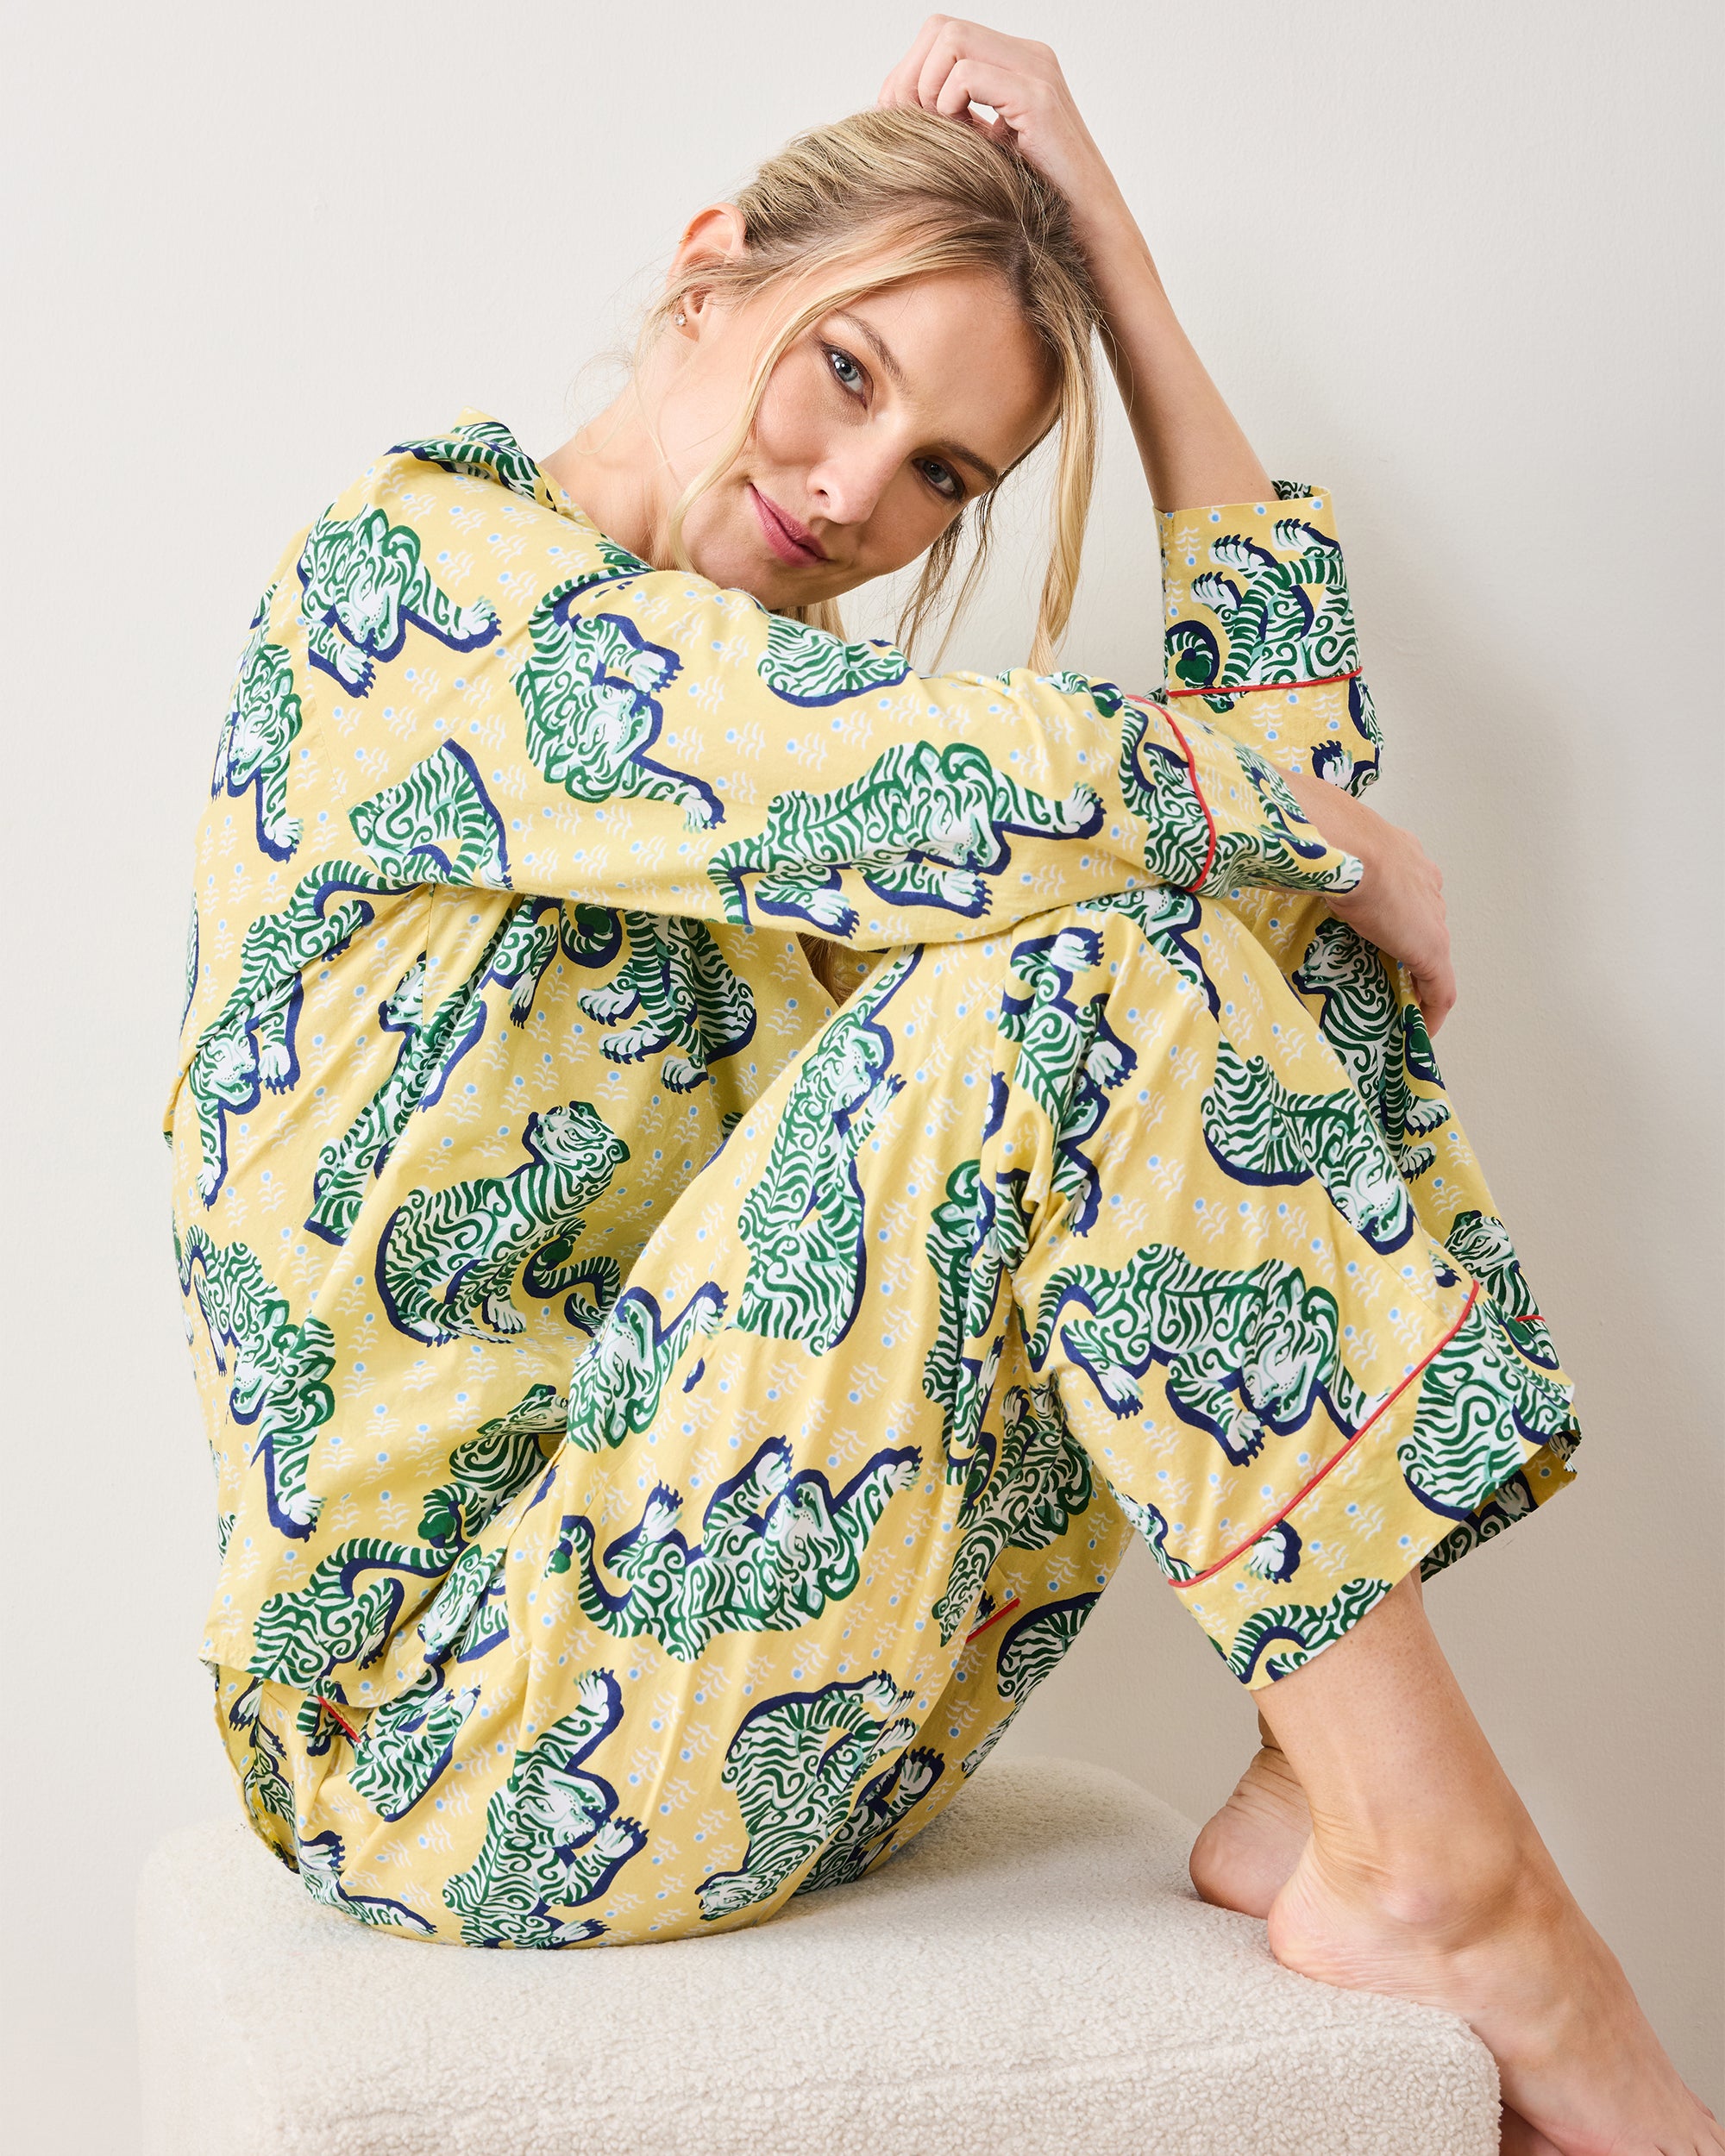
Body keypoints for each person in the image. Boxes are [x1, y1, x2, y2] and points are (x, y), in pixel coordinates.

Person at [166, 18, 1716, 2153]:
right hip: (437, 1747)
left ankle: (1344, 1793)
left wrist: (1117, 262)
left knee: (1203, 916)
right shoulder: (417, 586)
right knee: (1110, 932)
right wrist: (1278, 824)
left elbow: (1289, 820)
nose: (855, 494)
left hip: (806, 1696)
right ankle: (1455, 1876)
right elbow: (1104, 799)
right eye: (847, 373)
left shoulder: (819, 754)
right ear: (706, 268)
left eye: (944, 478)